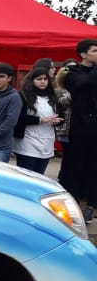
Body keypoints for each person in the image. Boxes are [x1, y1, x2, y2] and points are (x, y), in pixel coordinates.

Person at [60, 39, 97, 223]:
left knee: (94, 167)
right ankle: (74, 203)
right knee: (76, 166)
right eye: (95, 51)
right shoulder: (73, 73)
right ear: (83, 54)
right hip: (80, 128)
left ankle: (91, 205)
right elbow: (84, 84)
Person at [12, 67, 63, 175]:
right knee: (26, 176)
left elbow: (61, 116)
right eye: (39, 79)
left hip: (47, 141)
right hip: (27, 141)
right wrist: (40, 120)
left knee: (39, 176)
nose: (42, 81)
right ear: (32, 80)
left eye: (45, 79)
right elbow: (18, 117)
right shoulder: (23, 95)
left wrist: (58, 121)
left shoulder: (53, 97)